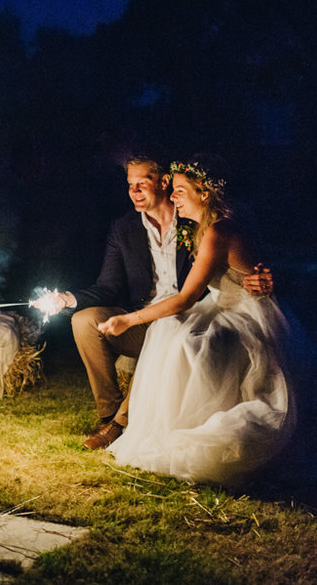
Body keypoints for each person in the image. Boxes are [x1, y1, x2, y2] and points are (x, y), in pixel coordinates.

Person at [40, 154, 273, 450]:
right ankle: (109, 416)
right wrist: (68, 298)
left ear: (163, 182)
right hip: (146, 313)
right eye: (129, 184)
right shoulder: (123, 228)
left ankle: (120, 426)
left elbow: (244, 258)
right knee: (83, 320)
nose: (134, 191)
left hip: (190, 315)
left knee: (168, 330)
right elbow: (108, 286)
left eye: (142, 183)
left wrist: (267, 274)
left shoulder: (194, 221)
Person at [97, 155, 295, 485]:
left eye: (179, 191)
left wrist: (128, 320)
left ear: (203, 193)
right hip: (220, 305)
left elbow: (186, 298)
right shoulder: (202, 226)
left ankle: (189, 423)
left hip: (247, 315)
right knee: (168, 330)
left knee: (188, 341)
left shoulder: (218, 231)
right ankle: (146, 422)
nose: (173, 198)